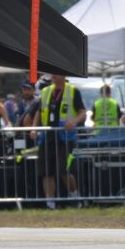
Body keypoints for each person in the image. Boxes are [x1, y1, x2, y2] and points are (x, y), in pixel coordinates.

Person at [38, 74, 87, 208]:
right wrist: (35, 129)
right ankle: (50, 203)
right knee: (46, 172)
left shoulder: (73, 91)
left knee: (64, 170)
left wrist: (74, 121)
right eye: (51, 73)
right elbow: (39, 111)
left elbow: (83, 112)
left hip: (66, 137)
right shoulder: (45, 91)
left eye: (55, 73)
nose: (52, 75)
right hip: (47, 136)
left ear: (63, 75)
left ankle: (74, 195)